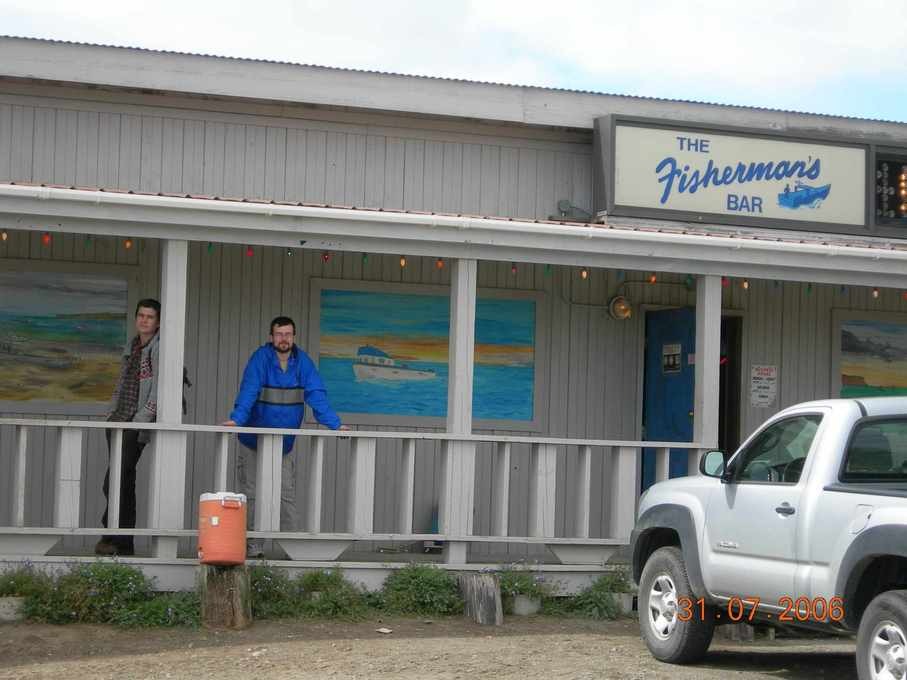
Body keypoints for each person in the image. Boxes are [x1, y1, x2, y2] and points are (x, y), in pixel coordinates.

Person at [223, 315, 345, 556]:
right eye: (279, 334)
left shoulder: (303, 363)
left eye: (288, 334)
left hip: (283, 444)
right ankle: (253, 547)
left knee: (285, 495)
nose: (284, 339)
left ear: (294, 337)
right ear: (271, 337)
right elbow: (248, 391)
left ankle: (294, 548)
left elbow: (316, 395)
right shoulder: (261, 358)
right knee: (253, 494)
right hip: (252, 439)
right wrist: (236, 419)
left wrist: (335, 424)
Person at [95, 298, 161, 556]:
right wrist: (111, 412)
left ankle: (112, 535)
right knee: (124, 480)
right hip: (118, 419)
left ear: (158, 322)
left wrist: (142, 417)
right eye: (141, 316)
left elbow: (159, 389)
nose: (144, 320)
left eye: (150, 317)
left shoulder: (158, 348)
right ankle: (124, 543)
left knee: (114, 481)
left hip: (135, 423)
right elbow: (121, 383)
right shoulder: (132, 346)